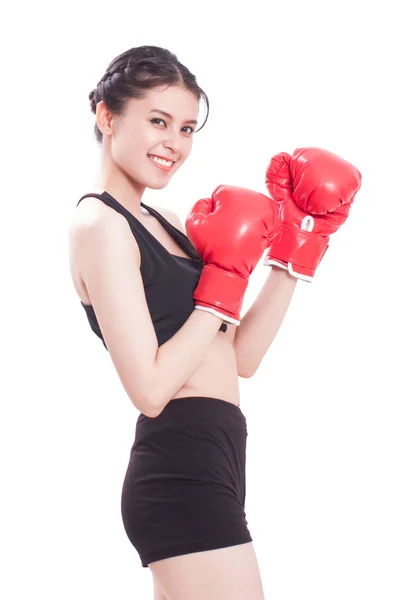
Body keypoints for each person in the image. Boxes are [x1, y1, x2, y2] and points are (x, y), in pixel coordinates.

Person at [68, 45, 361, 600]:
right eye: (158, 121)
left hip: (220, 453)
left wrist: (298, 251)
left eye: (186, 127)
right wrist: (222, 283)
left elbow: (239, 358)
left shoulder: (168, 222)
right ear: (107, 117)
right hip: (179, 467)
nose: (174, 144)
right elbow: (150, 390)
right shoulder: (98, 226)